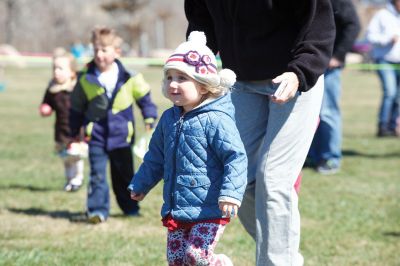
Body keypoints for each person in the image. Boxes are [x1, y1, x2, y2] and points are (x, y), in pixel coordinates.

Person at [184, 1, 335, 265]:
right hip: (241, 80)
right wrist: (194, 66)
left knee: (273, 177)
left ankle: (278, 260)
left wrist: (300, 71)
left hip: (294, 78)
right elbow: (202, 21)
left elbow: (318, 23)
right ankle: (284, 255)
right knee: (233, 176)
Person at [128, 31, 247, 266]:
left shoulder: (216, 119)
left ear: (204, 86)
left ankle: (221, 263)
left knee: (197, 256)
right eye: (169, 77)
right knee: (176, 260)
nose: (173, 84)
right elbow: (155, 157)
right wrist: (141, 183)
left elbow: (236, 157)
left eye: (182, 78)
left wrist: (231, 194)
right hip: (177, 207)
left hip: (210, 207)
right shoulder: (168, 119)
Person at [69, 26, 157, 224]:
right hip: (96, 135)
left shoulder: (130, 77)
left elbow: (145, 98)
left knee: (124, 175)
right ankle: (97, 211)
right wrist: (74, 132)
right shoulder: (85, 78)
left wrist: (149, 117)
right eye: (96, 50)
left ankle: (130, 207)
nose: (99, 55)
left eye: (104, 50)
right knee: (97, 176)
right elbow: (76, 107)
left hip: (122, 137)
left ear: (117, 52)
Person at [308, 0, 361, 174]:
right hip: (306, 65)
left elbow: (353, 25)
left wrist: (338, 55)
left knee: (328, 112)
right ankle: (314, 155)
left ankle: (331, 157)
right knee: (310, 113)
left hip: (328, 66)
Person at [39, 48, 87, 192]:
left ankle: (77, 178)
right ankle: (69, 180)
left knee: (75, 155)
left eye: (60, 68)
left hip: (76, 129)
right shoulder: (52, 88)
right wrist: (45, 108)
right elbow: (47, 102)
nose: (56, 72)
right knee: (65, 157)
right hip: (61, 129)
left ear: (72, 72)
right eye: (54, 68)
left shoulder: (76, 87)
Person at [366, 0, 400, 137]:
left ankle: (393, 126)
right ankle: (383, 126)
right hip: (384, 60)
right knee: (390, 92)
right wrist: (387, 39)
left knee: (398, 97)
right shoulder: (382, 15)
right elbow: (370, 36)